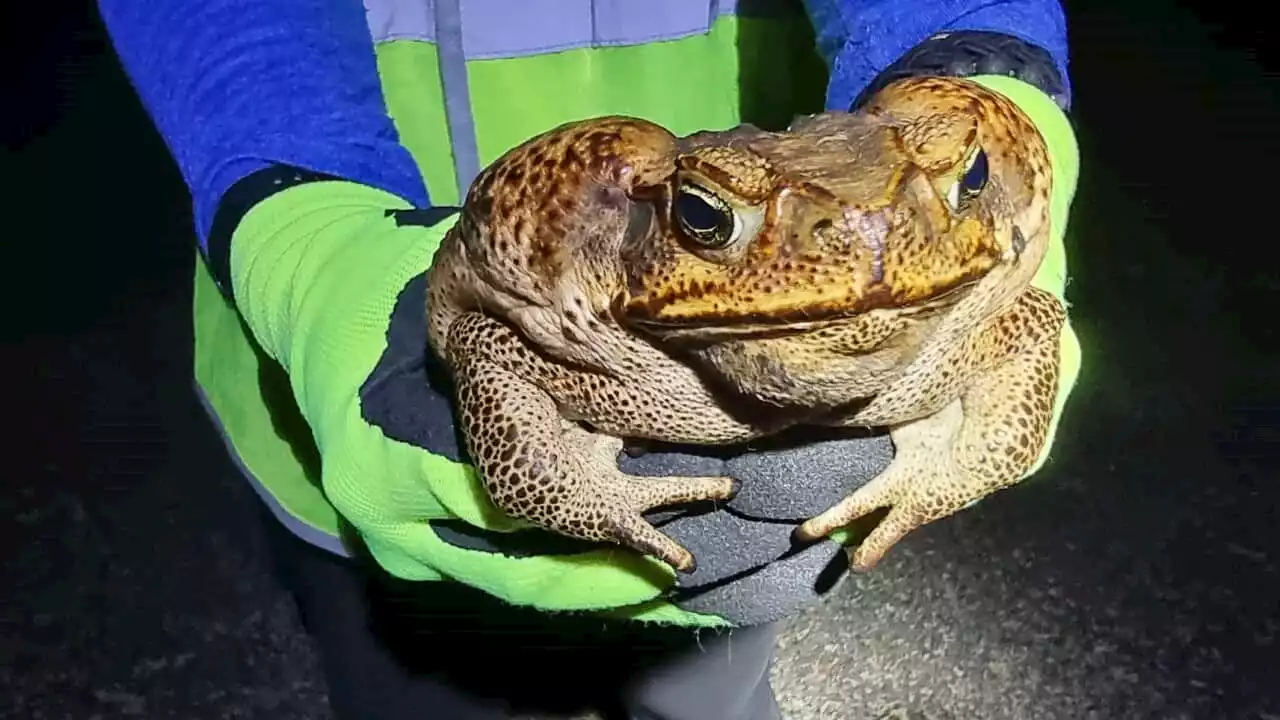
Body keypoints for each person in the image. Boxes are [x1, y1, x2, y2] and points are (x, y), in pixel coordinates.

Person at [97, 1, 1081, 718]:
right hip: (364, 351)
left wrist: (978, 66)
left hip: (776, 176)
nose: (861, 250)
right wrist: (302, 229)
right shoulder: (606, 345)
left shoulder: (923, 269)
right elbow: (486, 342)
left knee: (711, 672)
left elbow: (1024, 336)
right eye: (706, 221)